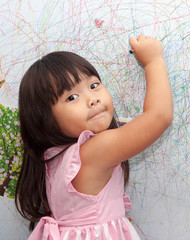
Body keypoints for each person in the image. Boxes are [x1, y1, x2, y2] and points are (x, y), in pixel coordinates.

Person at [15, 34, 173, 239]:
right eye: (72, 97)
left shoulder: (52, 159)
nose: (92, 99)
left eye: (94, 85)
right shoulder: (94, 151)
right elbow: (159, 116)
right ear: (45, 119)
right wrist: (153, 61)